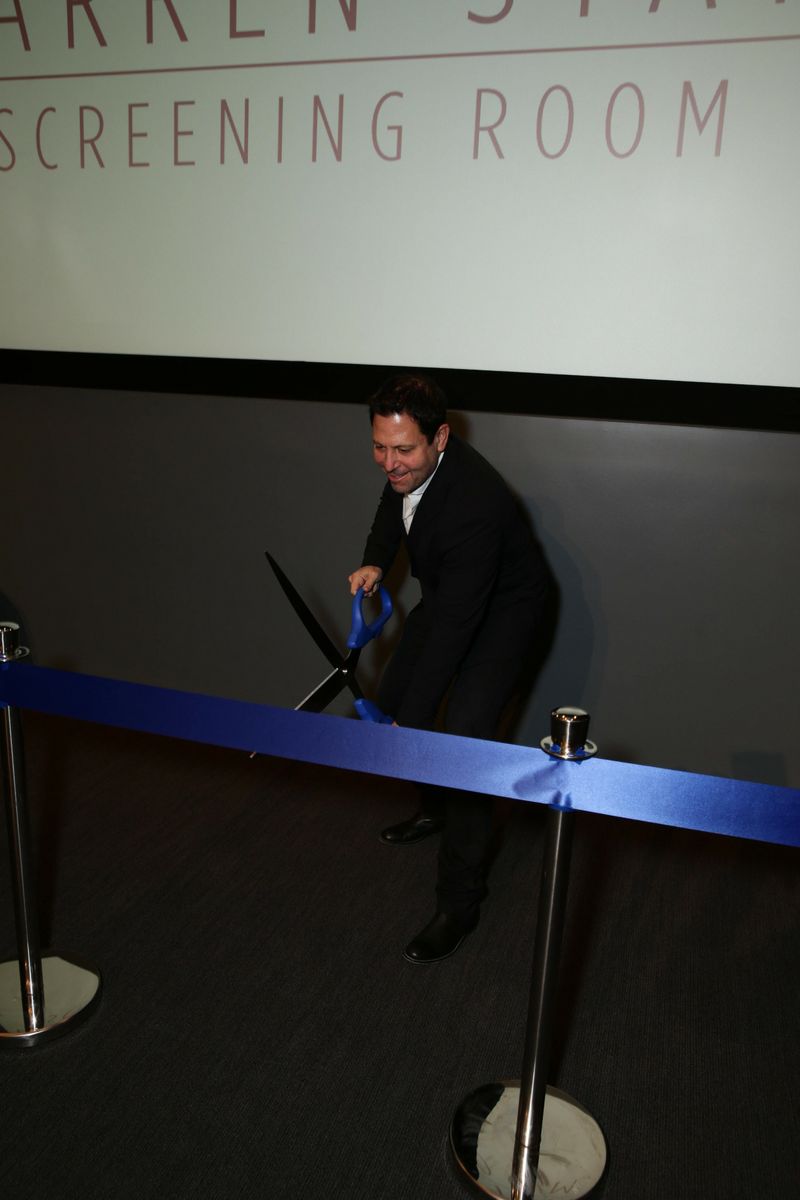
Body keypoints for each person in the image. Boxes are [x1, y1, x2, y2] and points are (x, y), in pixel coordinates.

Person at [348, 374, 549, 964]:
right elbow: (394, 505)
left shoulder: (475, 503)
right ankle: (433, 807)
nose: (390, 462)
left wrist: (408, 731)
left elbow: (458, 632)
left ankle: (459, 903)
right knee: (394, 695)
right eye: (379, 447)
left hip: (506, 615)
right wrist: (374, 562)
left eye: (403, 449)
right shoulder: (408, 466)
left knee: (462, 740)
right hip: (458, 595)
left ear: (441, 436)